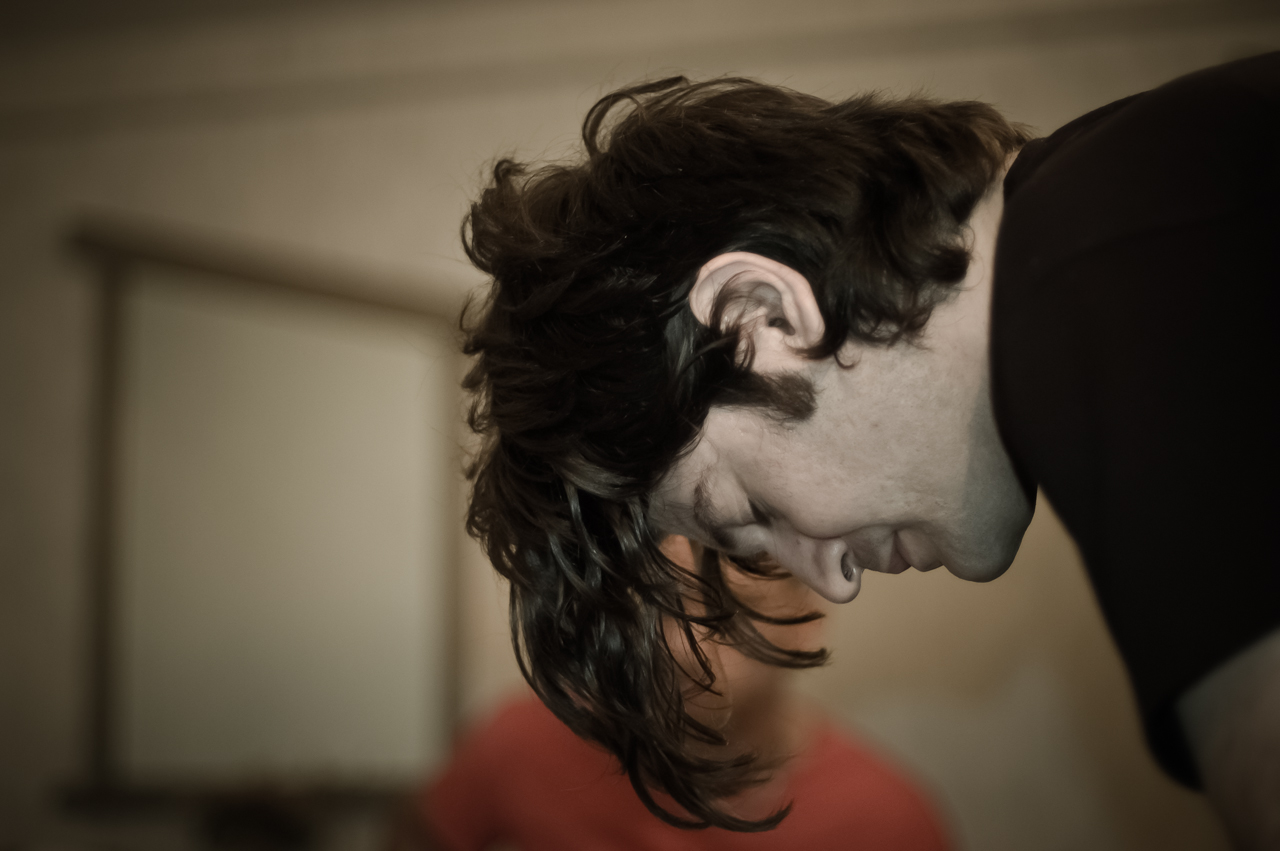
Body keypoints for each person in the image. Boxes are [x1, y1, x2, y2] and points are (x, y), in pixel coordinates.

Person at [459, 53, 1279, 847]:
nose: (832, 582)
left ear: (759, 316)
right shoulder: (1141, 221)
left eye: (754, 510)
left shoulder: (1140, 261)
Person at [389, 537, 952, 851]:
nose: (671, 647)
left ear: (806, 623)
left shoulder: (883, 822)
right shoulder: (521, 742)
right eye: (646, 607)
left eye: (717, 616)